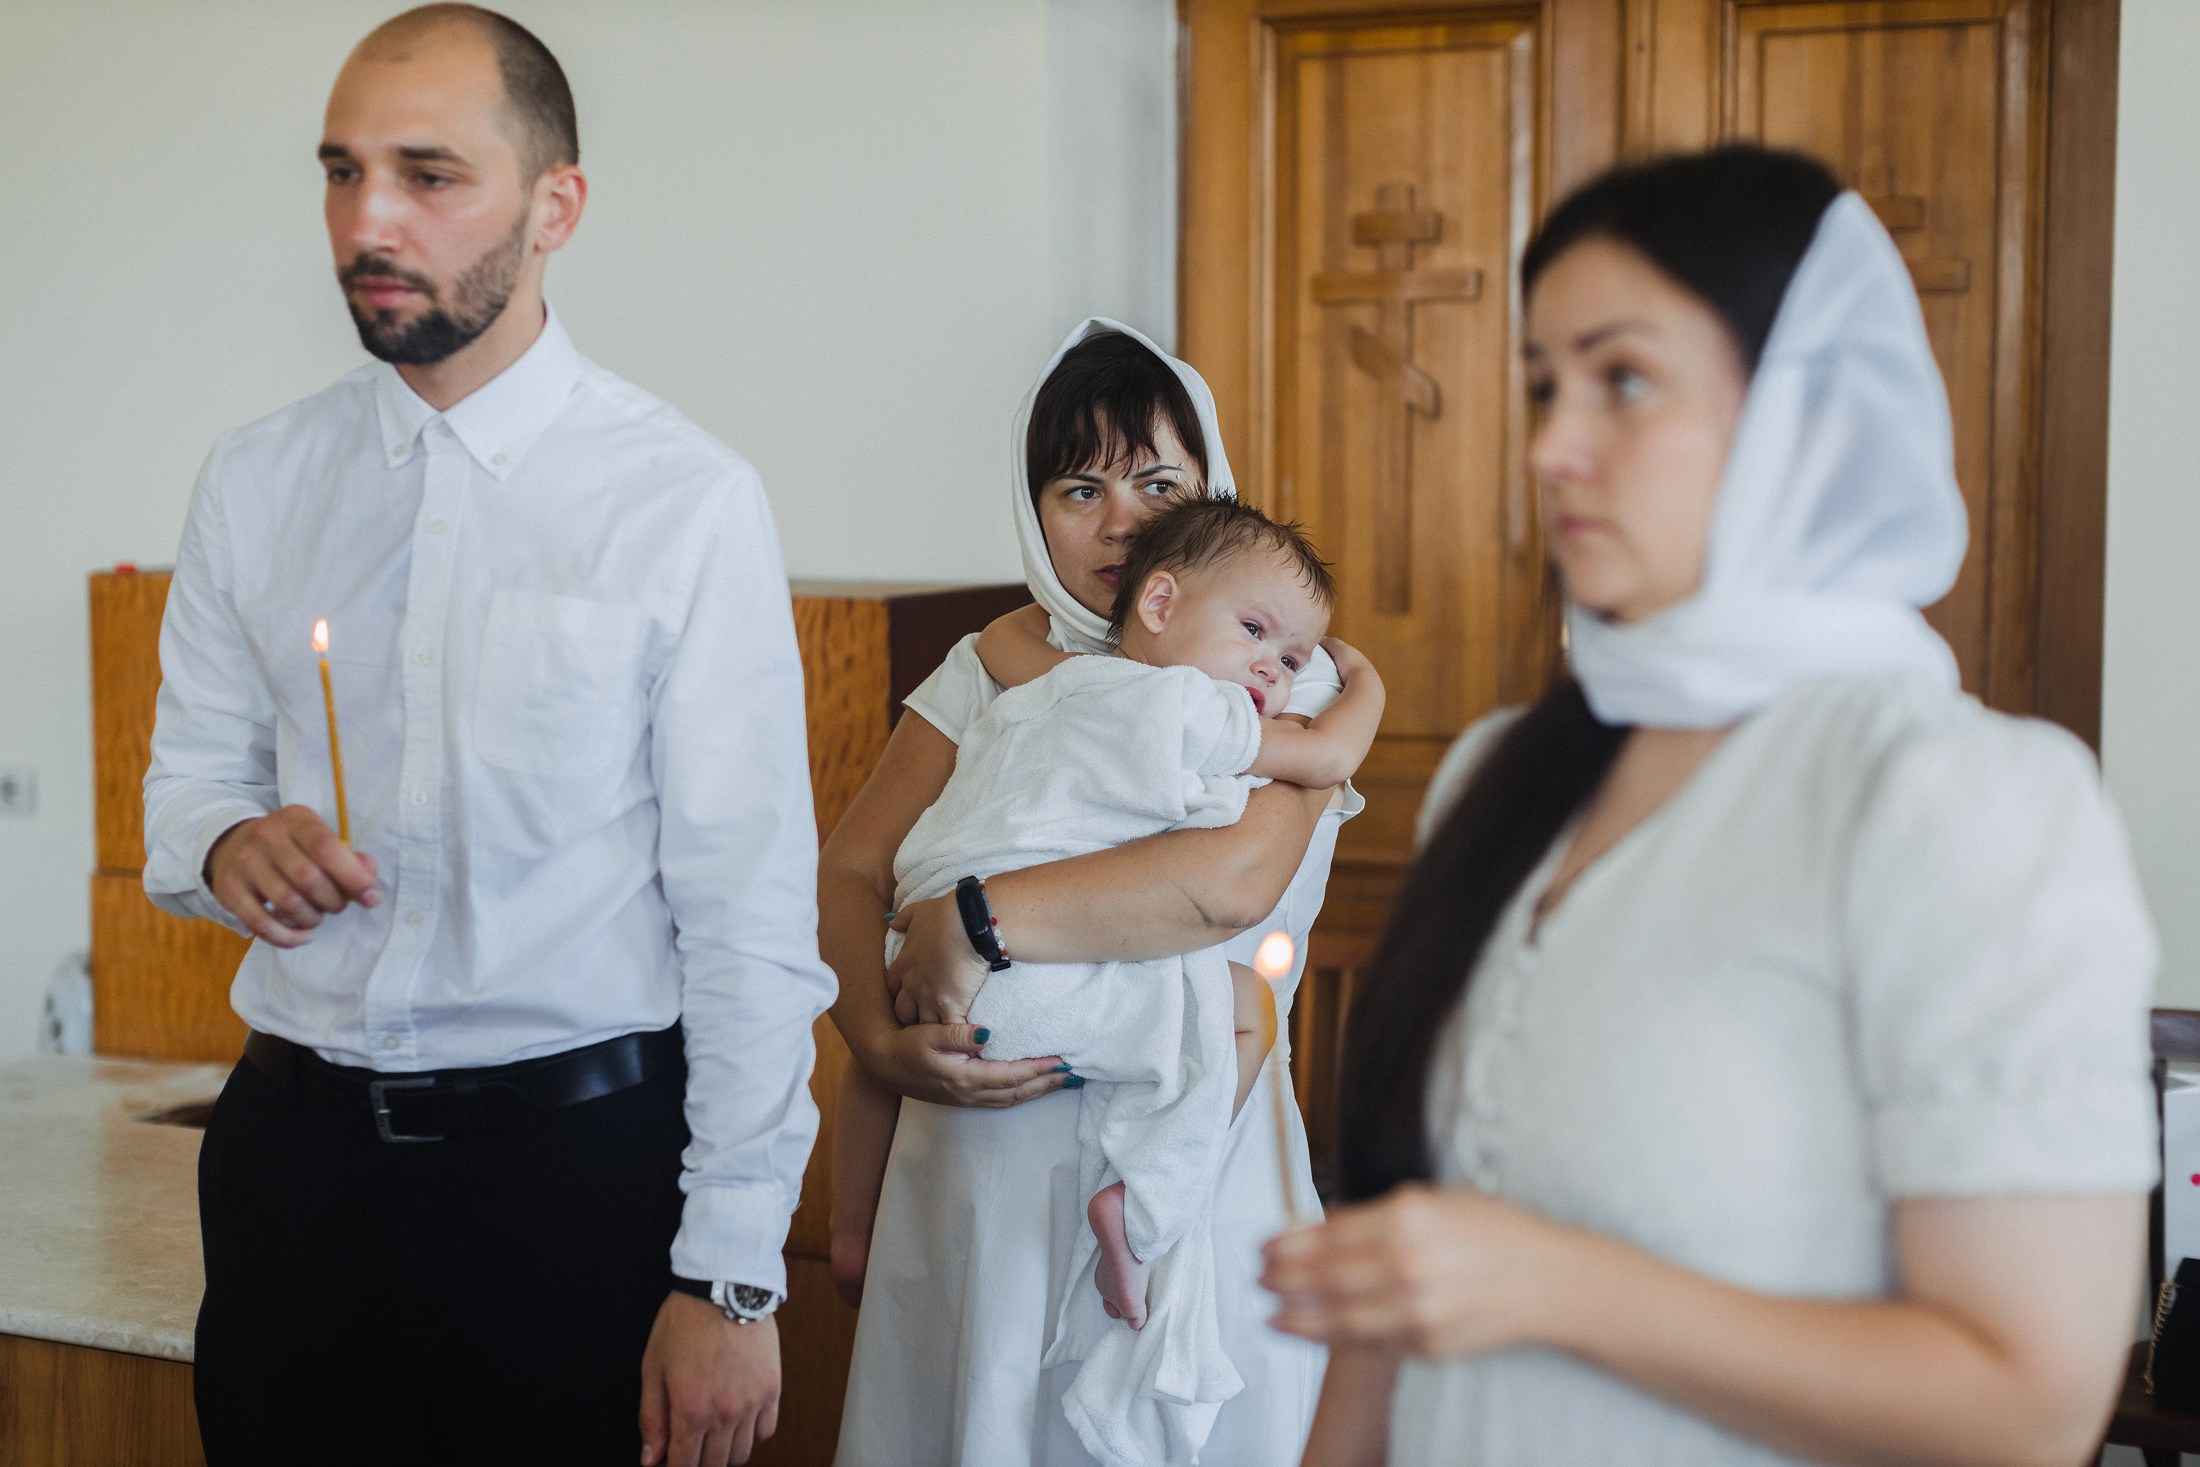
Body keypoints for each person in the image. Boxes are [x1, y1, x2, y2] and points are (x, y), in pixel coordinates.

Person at [1260, 145, 2158, 1467]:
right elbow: (1399, 1297)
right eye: (1543, 383)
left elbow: (2030, 1405)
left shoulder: (1956, 800)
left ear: (1810, 406)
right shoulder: (1501, 774)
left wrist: (1561, 1287)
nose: (1551, 445)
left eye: (1622, 379)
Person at [140, 9, 833, 1465]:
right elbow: (187, 786)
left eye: (428, 175)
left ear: (554, 205)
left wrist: (730, 1268)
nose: (366, 221)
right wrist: (226, 840)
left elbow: (749, 916)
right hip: (292, 1174)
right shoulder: (256, 480)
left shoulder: (684, 502)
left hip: (573, 1184)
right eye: (342, 171)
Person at [827, 320, 1365, 1465]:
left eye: (1157, 481)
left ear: (1209, 485)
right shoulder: (983, 667)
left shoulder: (1279, 676)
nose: (1121, 521)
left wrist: (971, 924)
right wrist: (873, 1036)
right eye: (1080, 489)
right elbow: (850, 866)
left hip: (1192, 1151)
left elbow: (1230, 884)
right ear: (1035, 513)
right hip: (978, 1163)